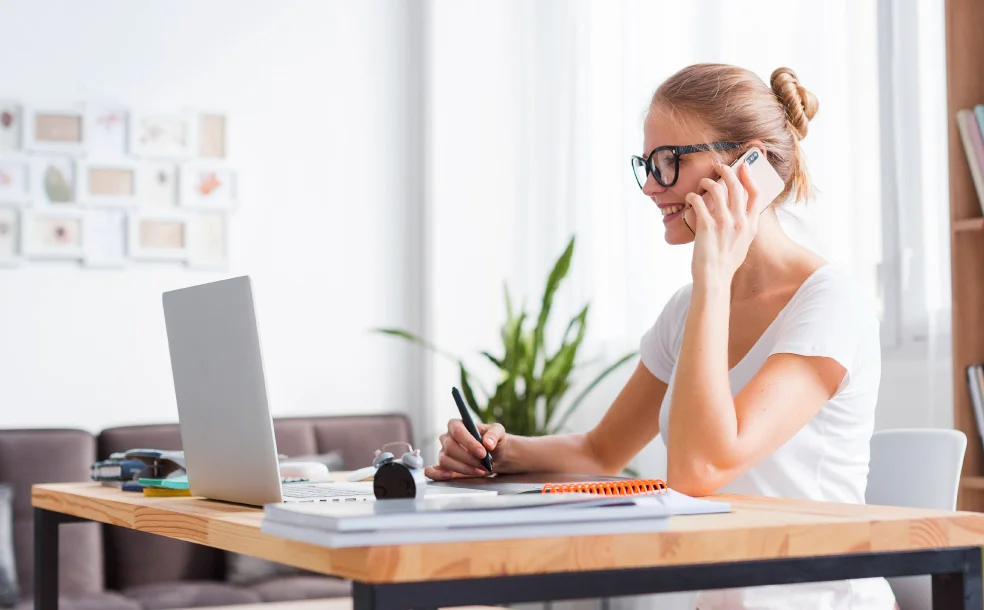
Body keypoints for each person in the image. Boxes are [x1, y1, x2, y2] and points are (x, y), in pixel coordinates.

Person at [424, 63, 896, 610]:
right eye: (647, 165)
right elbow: (601, 451)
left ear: (751, 166)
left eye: (669, 162)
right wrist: (498, 453)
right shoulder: (688, 311)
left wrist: (713, 273)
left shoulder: (827, 302)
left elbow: (700, 470)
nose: (651, 186)